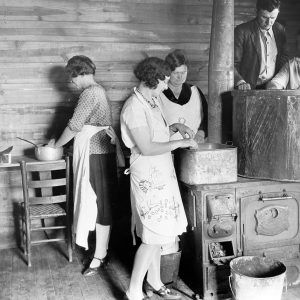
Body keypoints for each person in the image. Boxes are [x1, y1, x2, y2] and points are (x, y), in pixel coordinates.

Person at [120, 57, 198, 300]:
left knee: (158, 234)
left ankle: (153, 281)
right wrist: (182, 142)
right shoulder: (134, 107)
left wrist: (174, 127)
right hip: (148, 175)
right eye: (164, 81)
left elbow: (156, 134)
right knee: (152, 237)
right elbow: (147, 147)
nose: (166, 86)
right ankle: (133, 290)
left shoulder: (151, 101)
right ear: (153, 80)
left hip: (161, 174)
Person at [48, 55, 123, 276]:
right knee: (100, 204)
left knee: (100, 205)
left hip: (96, 154)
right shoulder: (96, 91)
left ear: (79, 74)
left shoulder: (90, 92)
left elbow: (74, 126)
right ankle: (100, 251)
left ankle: (100, 255)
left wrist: (56, 145)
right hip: (98, 153)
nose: (72, 83)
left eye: (72, 78)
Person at [234, 0, 288, 90]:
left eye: (273, 18)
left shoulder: (280, 30)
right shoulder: (242, 31)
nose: (269, 22)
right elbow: (233, 63)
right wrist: (240, 82)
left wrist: (278, 81)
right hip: (247, 88)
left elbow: (284, 57)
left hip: (273, 88)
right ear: (256, 12)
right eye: (264, 17)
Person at [159, 49, 207, 143]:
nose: (180, 77)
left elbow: (207, 118)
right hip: (167, 148)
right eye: (176, 73)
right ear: (168, 72)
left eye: (183, 72)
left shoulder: (195, 91)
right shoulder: (159, 93)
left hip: (193, 147)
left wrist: (201, 133)